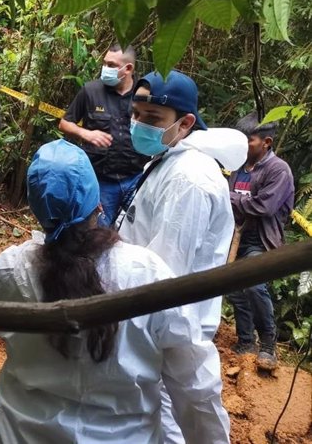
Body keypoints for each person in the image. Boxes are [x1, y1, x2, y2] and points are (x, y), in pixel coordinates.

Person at [0, 139, 230, 443]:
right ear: (98, 204)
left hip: (23, 435)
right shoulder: (146, 273)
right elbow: (195, 385)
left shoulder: (11, 270)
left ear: (37, 211)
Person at [118, 70, 247, 443]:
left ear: (186, 122)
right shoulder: (168, 158)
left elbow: (165, 271)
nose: (138, 124)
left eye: (152, 119)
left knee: (177, 421)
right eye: (136, 114)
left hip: (168, 327)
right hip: (153, 321)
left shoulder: (189, 180)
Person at [227, 112, 294, 370]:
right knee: (233, 289)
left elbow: (263, 207)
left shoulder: (279, 170)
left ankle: (269, 344)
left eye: (249, 140)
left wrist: (231, 197)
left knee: (254, 285)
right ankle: (246, 341)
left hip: (262, 240)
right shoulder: (238, 168)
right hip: (236, 237)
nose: (244, 145)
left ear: (266, 142)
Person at [58, 43, 149, 226]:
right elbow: (64, 123)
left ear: (128, 68)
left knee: (136, 230)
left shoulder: (144, 93)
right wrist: (86, 134)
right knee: (97, 232)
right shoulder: (91, 91)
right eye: (105, 63)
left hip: (136, 178)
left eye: (111, 65)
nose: (105, 68)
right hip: (101, 180)